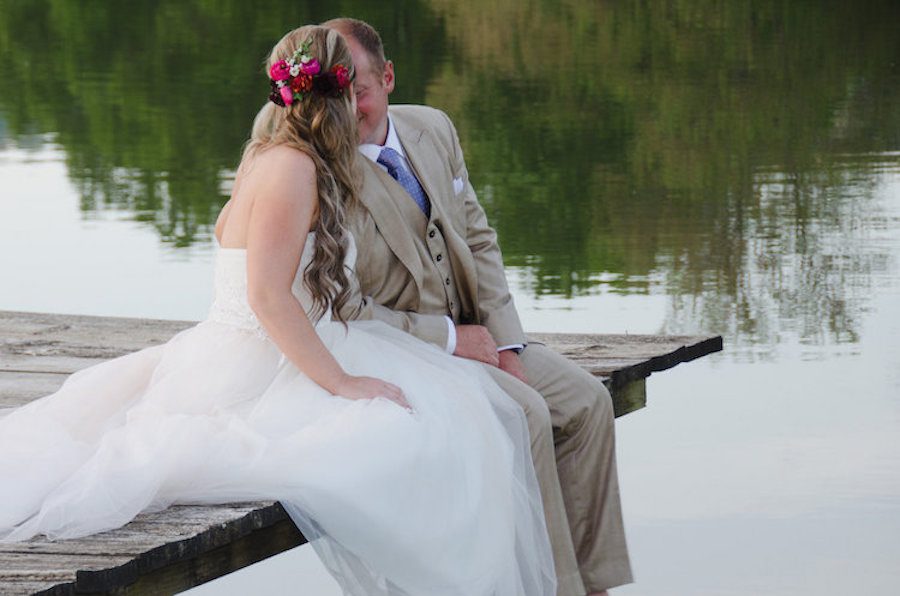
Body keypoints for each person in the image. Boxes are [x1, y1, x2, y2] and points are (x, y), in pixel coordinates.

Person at [0, 25, 557, 596]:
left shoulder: (279, 153)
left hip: (298, 339)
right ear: (339, 95)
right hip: (260, 358)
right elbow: (267, 298)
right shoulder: (291, 168)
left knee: (449, 417)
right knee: (416, 428)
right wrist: (340, 382)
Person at [323, 18, 634, 596]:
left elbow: (479, 239)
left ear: (388, 77)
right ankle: (553, 588)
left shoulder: (433, 128)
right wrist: (449, 339)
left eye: (359, 89)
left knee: (589, 403)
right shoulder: (321, 172)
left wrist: (509, 343)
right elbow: (345, 307)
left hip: (480, 335)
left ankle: (594, 586)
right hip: (410, 352)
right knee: (526, 415)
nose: (348, 107)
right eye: (335, 91)